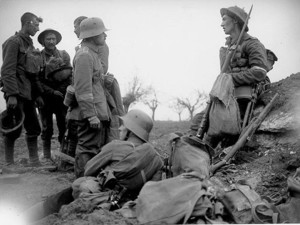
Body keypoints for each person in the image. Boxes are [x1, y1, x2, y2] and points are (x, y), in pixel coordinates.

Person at [24, 109, 163, 222]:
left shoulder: (116, 146)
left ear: (131, 131)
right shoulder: (156, 159)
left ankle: (22, 218)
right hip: (124, 206)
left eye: (123, 126)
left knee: (56, 200)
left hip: (96, 197)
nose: (120, 128)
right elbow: (150, 191)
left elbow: (88, 169)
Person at [202, 6, 270, 148]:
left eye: (224, 19)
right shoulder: (226, 49)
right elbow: (224, 73)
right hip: (228, 93)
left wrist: (230, 79)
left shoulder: (252, 43)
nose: (221, 24)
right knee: (200, 121)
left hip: (246, 93)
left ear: (235, 21)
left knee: (228, 126)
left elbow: (259, 72)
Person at [68, 17, 111, 178]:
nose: (105, 36)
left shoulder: (91, 54)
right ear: (93, 35)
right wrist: (91, 115)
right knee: (87, 149)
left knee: (93, 149)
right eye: (102, 33)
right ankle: (81, 186)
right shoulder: (85, 55)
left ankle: (88, 185)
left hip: (95, 110)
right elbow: (83, 89)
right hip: (89, 113)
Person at [0, 12, 44, 166]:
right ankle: (9, 164)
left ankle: (34, 162)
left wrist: (37, 94)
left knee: (33, 127)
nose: (38, 29)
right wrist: (11, 94)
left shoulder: (29, 44)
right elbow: (7, 70)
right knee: (14, 127)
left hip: (29, 94)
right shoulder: (13, 42)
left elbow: (32, 73)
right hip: (16, 93)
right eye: (36, 25)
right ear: (28, 23)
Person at [37, 28, 72, 161]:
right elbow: (37, 79)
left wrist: (61, 90)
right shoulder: (38, 57)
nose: (51, 41)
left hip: (61, 97)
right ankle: (46, 157)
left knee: (64, 125)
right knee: (46, 128)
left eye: (53, 39)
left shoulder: (63, 55)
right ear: (43, 42)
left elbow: (69, 75)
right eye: (48, 39)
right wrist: (51, 92)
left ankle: (63, 155)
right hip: (45, 98)